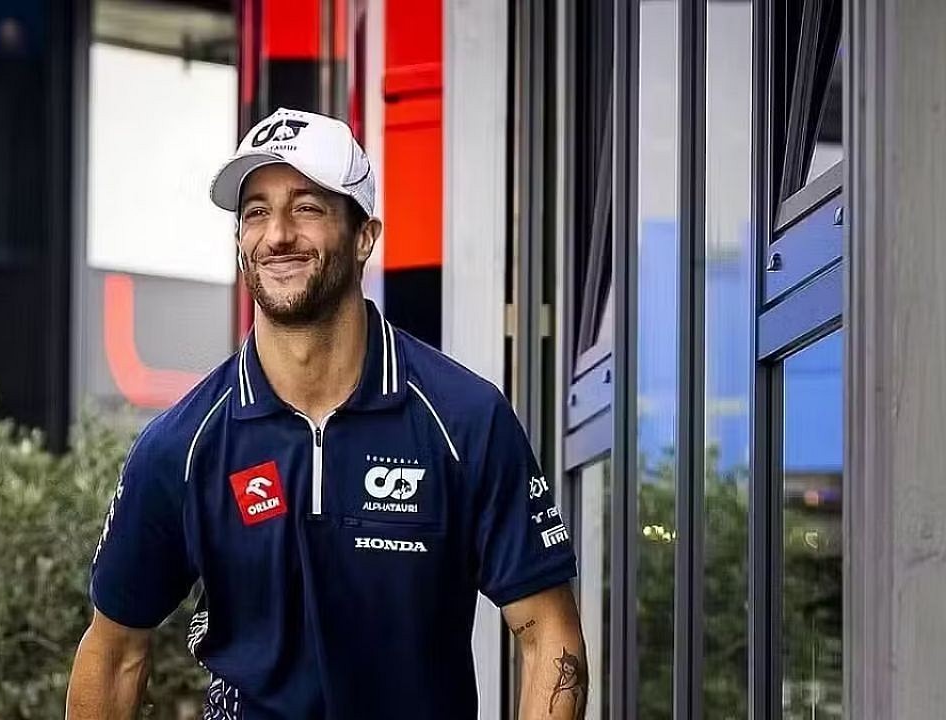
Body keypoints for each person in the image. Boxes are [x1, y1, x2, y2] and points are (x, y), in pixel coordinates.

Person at [66, 108, 586, 719]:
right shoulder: (182, 446)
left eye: (307, 207)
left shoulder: (465, 420)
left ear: (365, 236)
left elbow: (548, 636)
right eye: (256, 212)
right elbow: (114, 653)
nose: (278, 234)